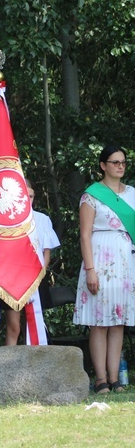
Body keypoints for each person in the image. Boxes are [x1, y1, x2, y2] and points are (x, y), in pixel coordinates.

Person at [74, 145, 135, 394]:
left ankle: (115, 378)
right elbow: (85, 235)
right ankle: (100, 379)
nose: (120, 166)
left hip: (125, 261)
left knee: (118, 321)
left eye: (123, 162)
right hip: (100, 259)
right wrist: (90, 269)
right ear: (103, 165)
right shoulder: (92, 195)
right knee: (99, 322)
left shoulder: (132, 193)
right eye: (115, 162)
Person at [2, 179, 60, 346]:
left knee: (34, 322)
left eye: (32, 196)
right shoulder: (7, 220)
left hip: (36, 278)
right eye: (24, 196)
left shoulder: (42, 219)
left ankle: (35, 366)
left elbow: (46, 252)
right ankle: (9, 368)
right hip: (12, 280)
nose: (28, 200)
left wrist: (39, 275)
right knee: (14, 327)